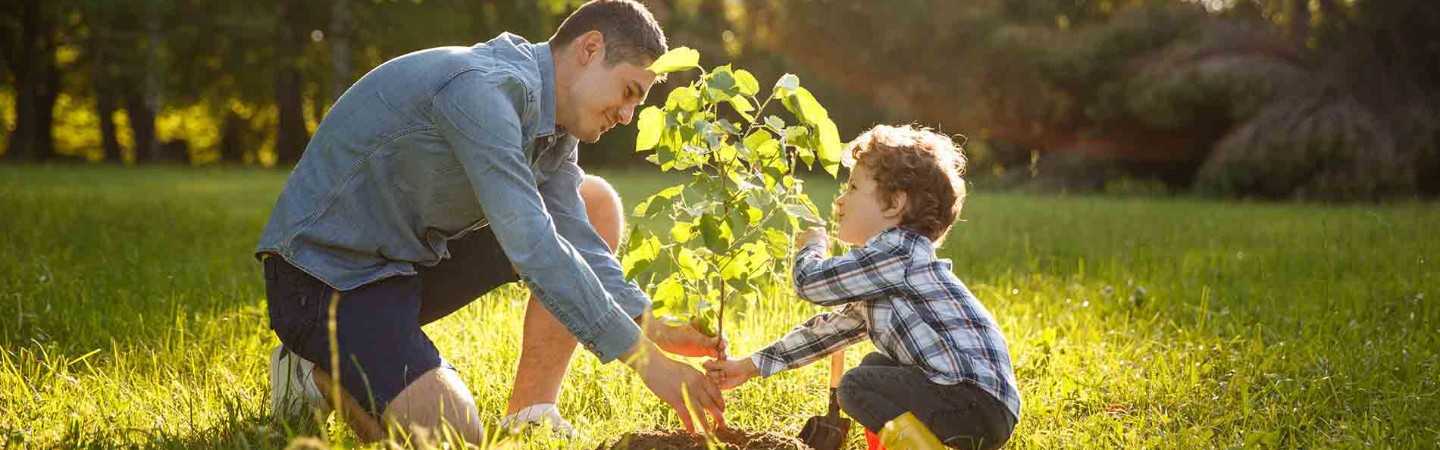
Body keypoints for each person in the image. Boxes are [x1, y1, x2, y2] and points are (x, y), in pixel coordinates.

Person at [256, 0, 726, 444]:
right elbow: (535, 246)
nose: (627, 116)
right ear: (590, 49)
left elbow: (575, 234)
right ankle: (311, 377)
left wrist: (651, 325)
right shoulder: (482, 90)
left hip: (405, 264)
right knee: (455, 437)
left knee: (594, 202)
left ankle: (530, 414)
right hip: (324, 280)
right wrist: (649, 364)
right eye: (629, 93)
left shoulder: (555, 125)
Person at [703, 125, 1021, 450]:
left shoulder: (899, 253)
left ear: (894, 203)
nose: (840, 200)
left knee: (855, 386)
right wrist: (748, 367)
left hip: (973, 399)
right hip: (978, 402)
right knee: (873, 368)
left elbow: (810, 283)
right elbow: (825, 333)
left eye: (853, 187)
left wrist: (811, 247)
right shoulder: (888, 271)